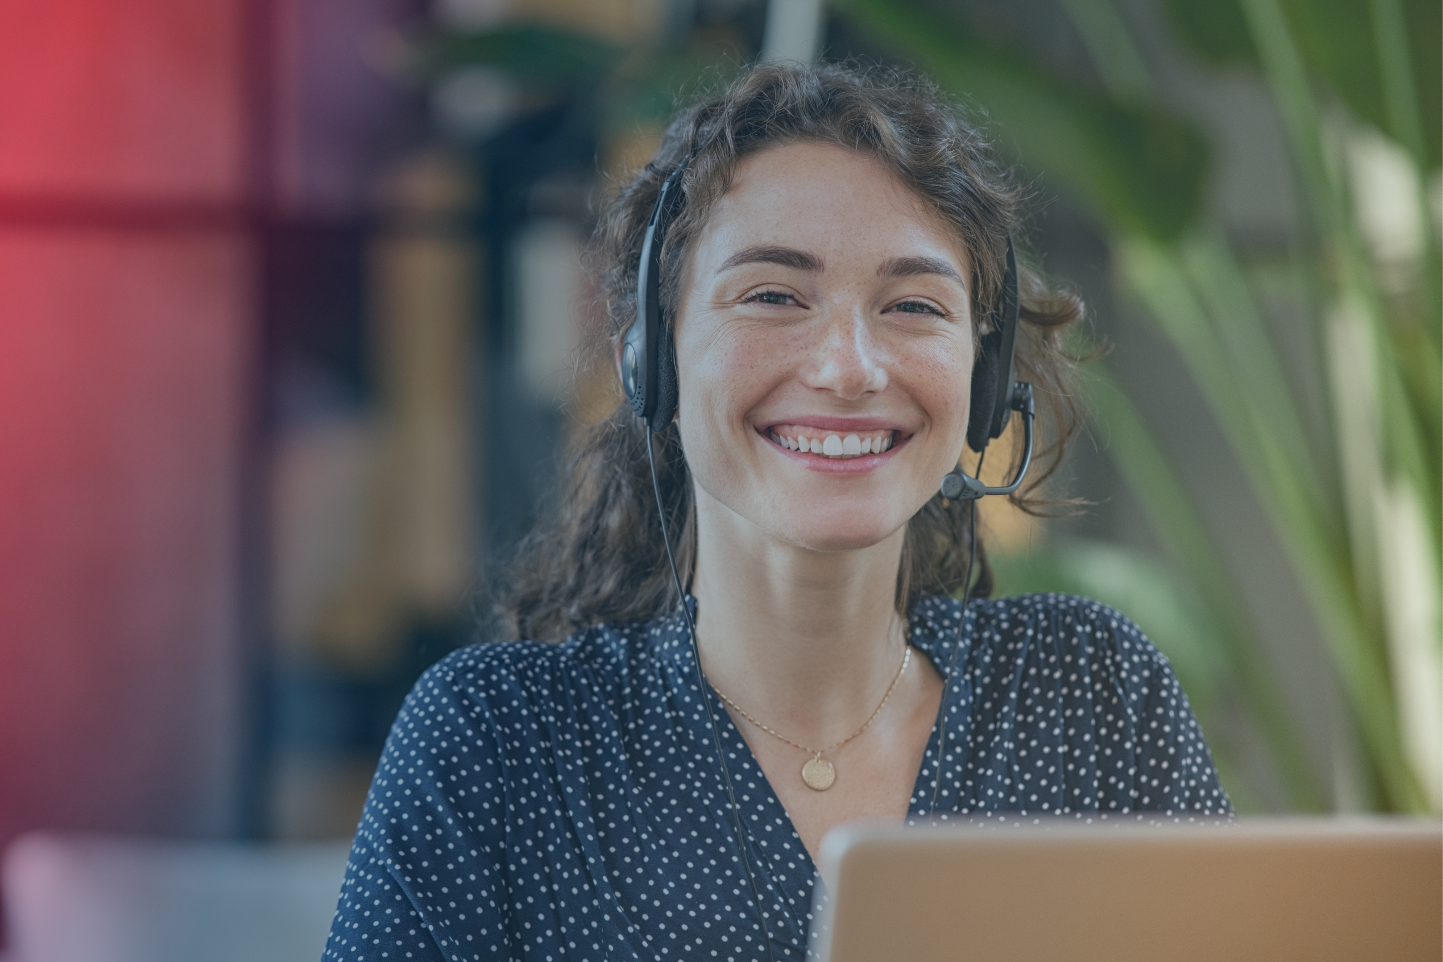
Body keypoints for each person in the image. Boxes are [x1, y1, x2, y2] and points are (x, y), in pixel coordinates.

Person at [323, 61, 1230, 962]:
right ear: (655, 360)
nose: (848, 368)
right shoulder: (499, 747)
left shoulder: (1087, 698)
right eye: (772, 296)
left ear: (982, 382)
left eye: (912, 305)